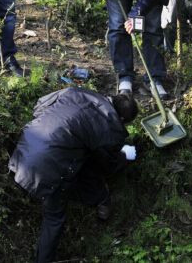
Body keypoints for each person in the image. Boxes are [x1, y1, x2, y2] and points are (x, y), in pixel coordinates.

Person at [8, 87, 138, 263]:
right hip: (48, 169)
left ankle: (100, 200)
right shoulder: (109, 125)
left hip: (24, 150)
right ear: (122, 119)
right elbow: (109, 166)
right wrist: (124, 155)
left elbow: (39, 107)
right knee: (54, 218)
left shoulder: (75, 92)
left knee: (84, 159)